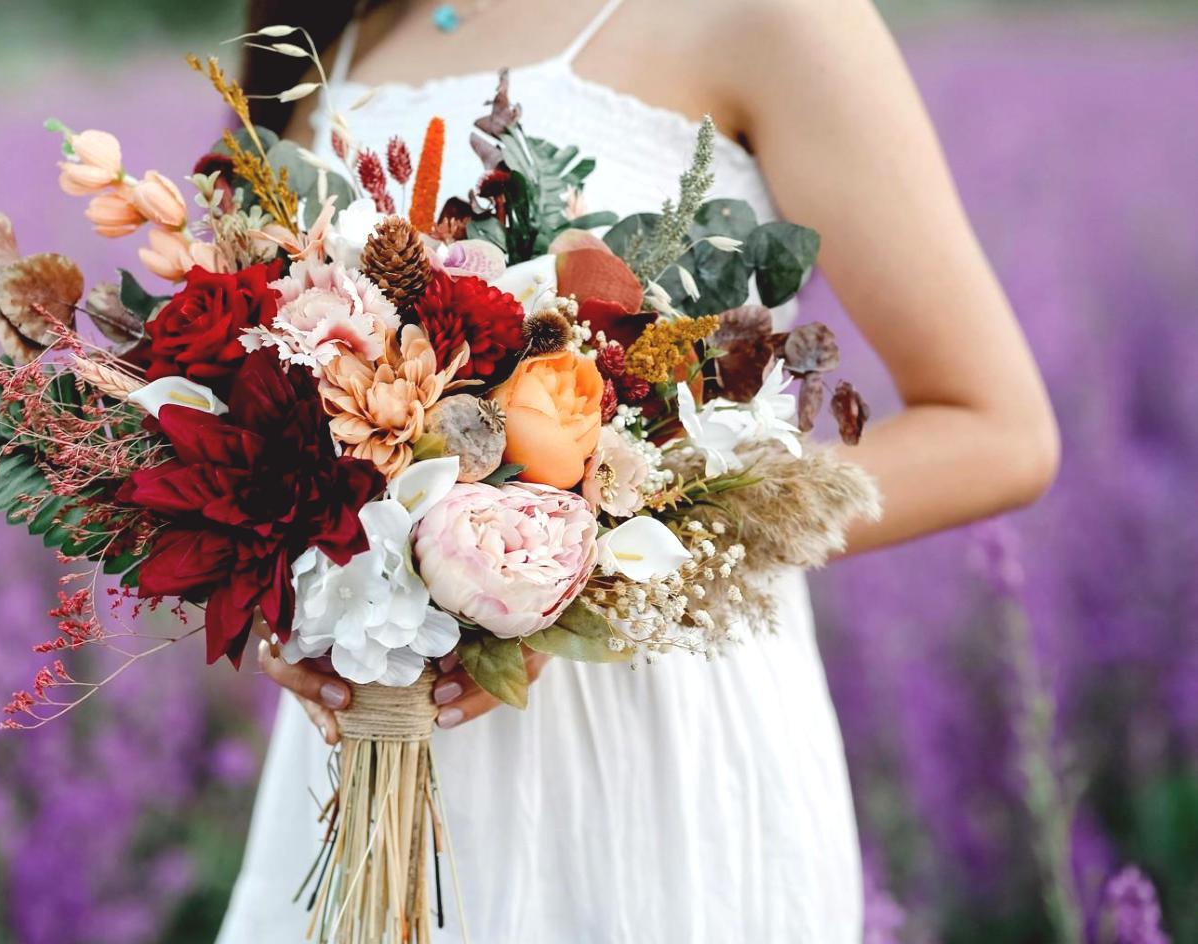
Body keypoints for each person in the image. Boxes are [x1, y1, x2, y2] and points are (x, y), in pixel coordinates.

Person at [219, 0, 1060, 939]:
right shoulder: (335, 37)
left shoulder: (777, 19)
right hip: (367, 757)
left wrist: (589, 566)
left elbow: (997, 430)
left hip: (654, 752)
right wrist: (297, 586)